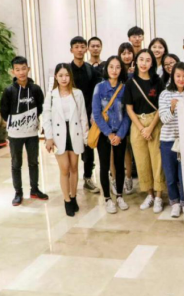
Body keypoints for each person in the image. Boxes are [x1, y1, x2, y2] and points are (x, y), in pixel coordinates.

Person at [42, 63, 89, 217]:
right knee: (64, 168)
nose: (64, 78)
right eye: (61, 75)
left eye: (67, 75)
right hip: (58, 134)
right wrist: (49, 137)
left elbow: (83, 116)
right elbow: (46, 118)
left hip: (75, 132)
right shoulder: (51, 95)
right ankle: (66, 200)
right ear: (56, 77)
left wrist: (86, 137)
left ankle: (73, 196)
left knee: (74, 167)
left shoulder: (77, 93)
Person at [0, 56, 48, 207]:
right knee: (16, 163)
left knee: (33, 162)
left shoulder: (36, 89)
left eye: (23, 69)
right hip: (15, 134)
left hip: (32, 133)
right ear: (13, 72)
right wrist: (16, 123)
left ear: (28, 69)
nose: (21, 72)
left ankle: (35, 189)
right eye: (17, 69)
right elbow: (4, 111)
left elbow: (40, 107)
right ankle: (18, 192)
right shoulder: (9, 90)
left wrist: (31, 121)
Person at [124, 50, 167, 214]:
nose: (144, 63)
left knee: (157, 160)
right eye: (141, 59)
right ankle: (149, 194)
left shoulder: (158, 81)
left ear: (152, 63)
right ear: (136, 62)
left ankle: (158, 196)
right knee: (142, 161)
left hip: (155, 122)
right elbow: (129, 108)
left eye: (148, 60)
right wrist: (142, 128)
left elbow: (162, 106)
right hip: (137, 125)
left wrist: (150, 127)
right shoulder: (130, 82)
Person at [93, 56, 131, 214]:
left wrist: (120, 135)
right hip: (104, 133)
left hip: (120, 133)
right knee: (104, 166)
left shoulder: (125, 88)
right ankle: (107, 198)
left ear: (121, 69)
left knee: (120, 164)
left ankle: (120, 196)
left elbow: (128, 114)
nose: (114, 70)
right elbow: (96, 114)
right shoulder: (99, 88)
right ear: (106, 69)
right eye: (111, 67)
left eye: (117, 67)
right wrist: (109, 134)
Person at [159, 63, 184, 219]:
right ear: (173, 76)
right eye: (178, 76)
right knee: (171, 175)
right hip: (168, 140)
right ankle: (175, 203)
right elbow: (164, 119)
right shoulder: (165, 94)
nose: (181, 79)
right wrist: (172, 108)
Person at [69, 36, 101, 194]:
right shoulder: (66, 70)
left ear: (86, 49)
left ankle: (87, 178)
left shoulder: (91, 70)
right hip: (70, 115)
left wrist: (93, 113)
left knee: (89, 147)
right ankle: (70, 178)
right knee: (71, 147)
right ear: (71, 50)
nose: (80, 50)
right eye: (76, 47)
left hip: (88, 114)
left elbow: (96, 92)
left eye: (82, 47)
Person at [116, 42, 137, 195]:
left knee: (129, 147)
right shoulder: (117, 70)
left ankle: (129, 177)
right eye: (123, 53)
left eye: (129, 53)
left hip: (133, 112)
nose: (127, 56)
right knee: (119, 148)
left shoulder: (138, 70)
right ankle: (117, 178)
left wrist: (132, 75)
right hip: (118, 113)